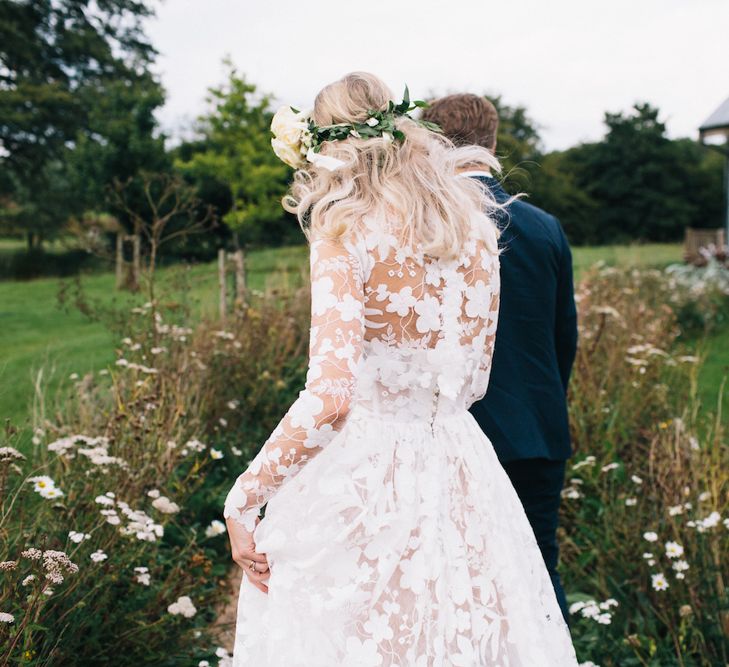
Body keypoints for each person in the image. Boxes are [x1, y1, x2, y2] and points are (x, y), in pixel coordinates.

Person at [223, 72, 577, 666]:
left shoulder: (343, 230)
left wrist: (245, 495)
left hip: (365, 464)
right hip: (462, 460)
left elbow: (331, 396)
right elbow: (476, 376)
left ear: (325, 149)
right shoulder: (476, 232)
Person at [422, 94, 578, 622]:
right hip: (538, 431)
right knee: (538, 574)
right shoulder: (544, 227)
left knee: (456, 580)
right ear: (492, 141)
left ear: (434, 144)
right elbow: (563, 341)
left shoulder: (419, 227)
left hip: (451, 436)